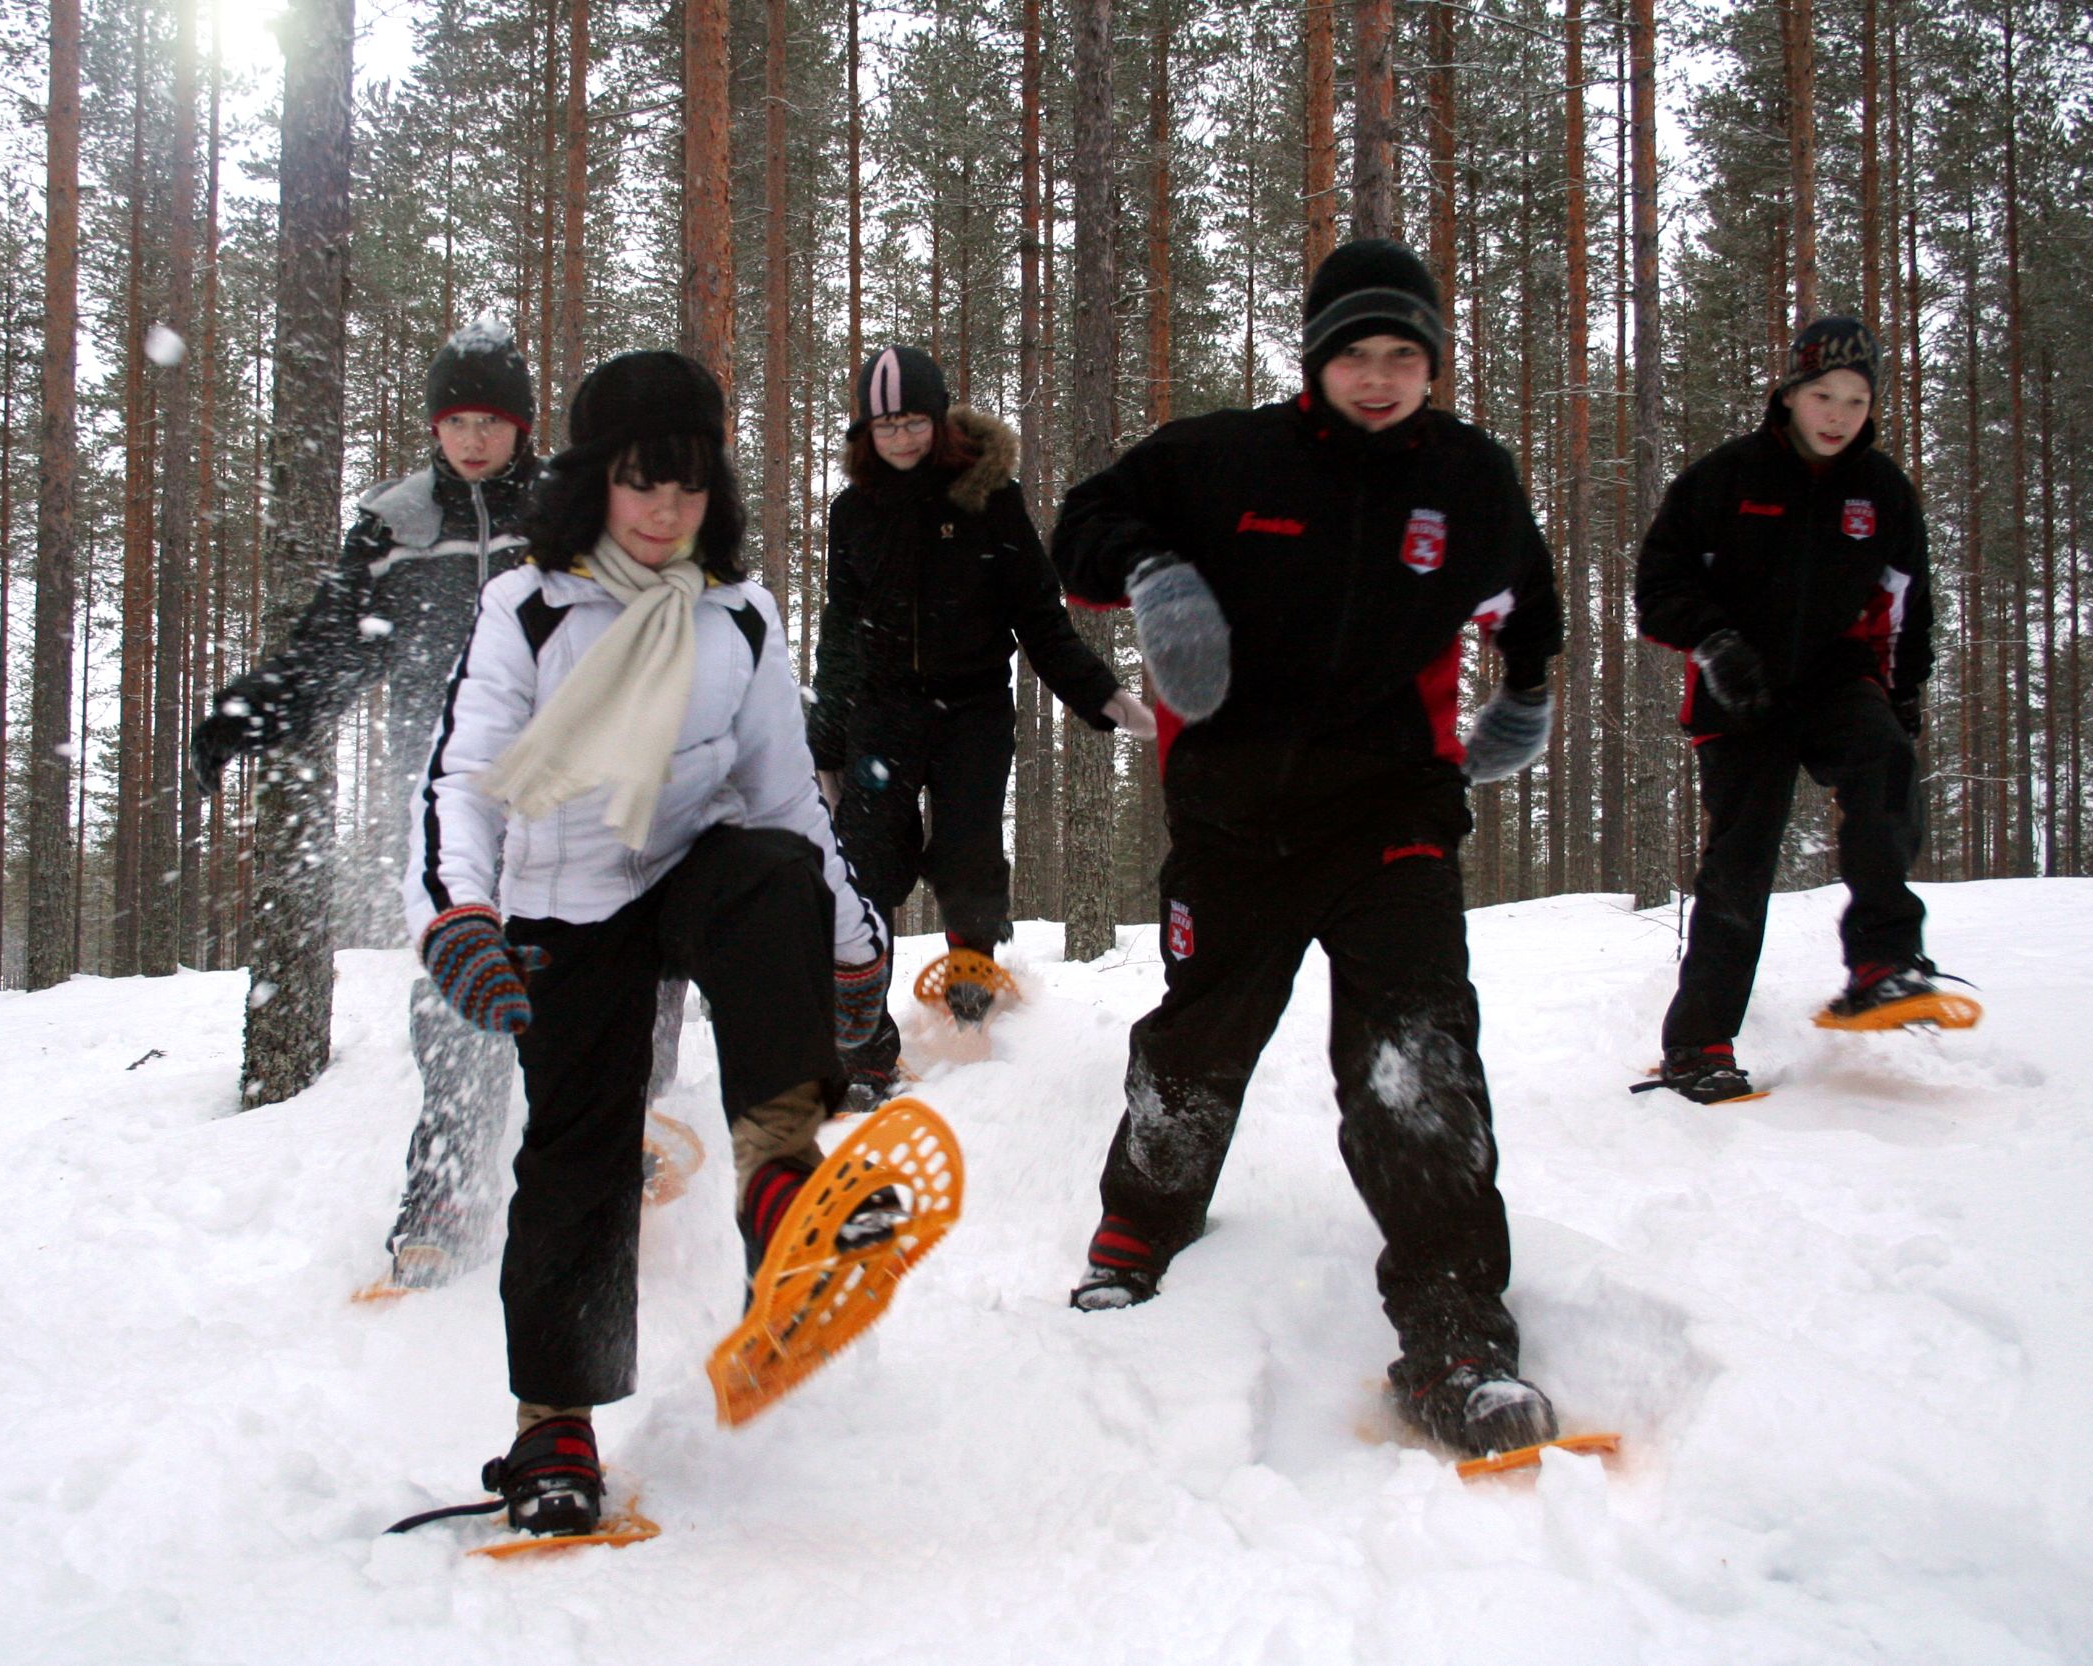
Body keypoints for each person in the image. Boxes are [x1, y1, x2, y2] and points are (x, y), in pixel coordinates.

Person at [1048, 239, 1567, 1460]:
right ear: (1315, 359)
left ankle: (1456, 1338)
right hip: (1232, 815)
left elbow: (1523, 595)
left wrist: (1525, 691)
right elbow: (1080, 527)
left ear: (1431, 367)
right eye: (1355, 355)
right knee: (1203, 1031)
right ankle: (1143, 1218)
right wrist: (1158, 572)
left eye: (1404, 358)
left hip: (1393, 814)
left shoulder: (1467, 479)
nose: (1379, 379)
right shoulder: (1222, 458)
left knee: (1415, 1061)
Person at [404, 350, 894, 1537]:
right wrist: (456, 913)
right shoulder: (528, 605)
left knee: (772, 873)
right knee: (577, 1155)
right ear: (594, 485)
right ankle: (553, 1424)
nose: (666, 510)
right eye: (639, 483)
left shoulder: (738, 610)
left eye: (686, 485)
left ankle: (779, 1179)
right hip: (565, 905)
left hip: (689, 874)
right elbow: (464, 774)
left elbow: (785, 798)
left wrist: (851, 941)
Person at [191, 320, 539, 1290]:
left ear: (521, 425)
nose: (471, 440)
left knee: (569, 979)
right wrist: (252, 710)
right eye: (455, 420)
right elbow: (330, 649)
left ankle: (602, 1153)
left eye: (490, 421)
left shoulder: (563, 513)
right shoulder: (393, 526)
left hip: (560, 785)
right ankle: (444, 1187)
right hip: (439, 789)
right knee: (455, 987)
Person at [809, 345, 1150, 1094]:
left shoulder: (990, 498)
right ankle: (865, 1051)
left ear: (939, 420)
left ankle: (973, 1001)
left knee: (966, 858)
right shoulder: (853, 511)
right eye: (885, 425)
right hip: (882, 715)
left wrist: (1099, 694)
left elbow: (1037, 615)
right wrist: (826, 741)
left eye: (913, 423)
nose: (900, 439)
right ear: (866, 431)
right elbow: (841, 627)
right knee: (867, 869)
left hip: (972, 713)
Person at [1636, 316, 1956, 1106]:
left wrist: (1904, 695)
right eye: (1823, 394)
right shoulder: (1727, 479)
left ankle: (1885, 964)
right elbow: (1658, 586)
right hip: (1738, 686)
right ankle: (1698, 1046)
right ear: (1789, 393)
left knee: (1886, 764)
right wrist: (1713, 643)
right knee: (1741, 861)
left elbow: (1910, 605)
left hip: (1833, 679)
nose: (1838, 413)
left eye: (1855, 398)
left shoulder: (1881, 493)